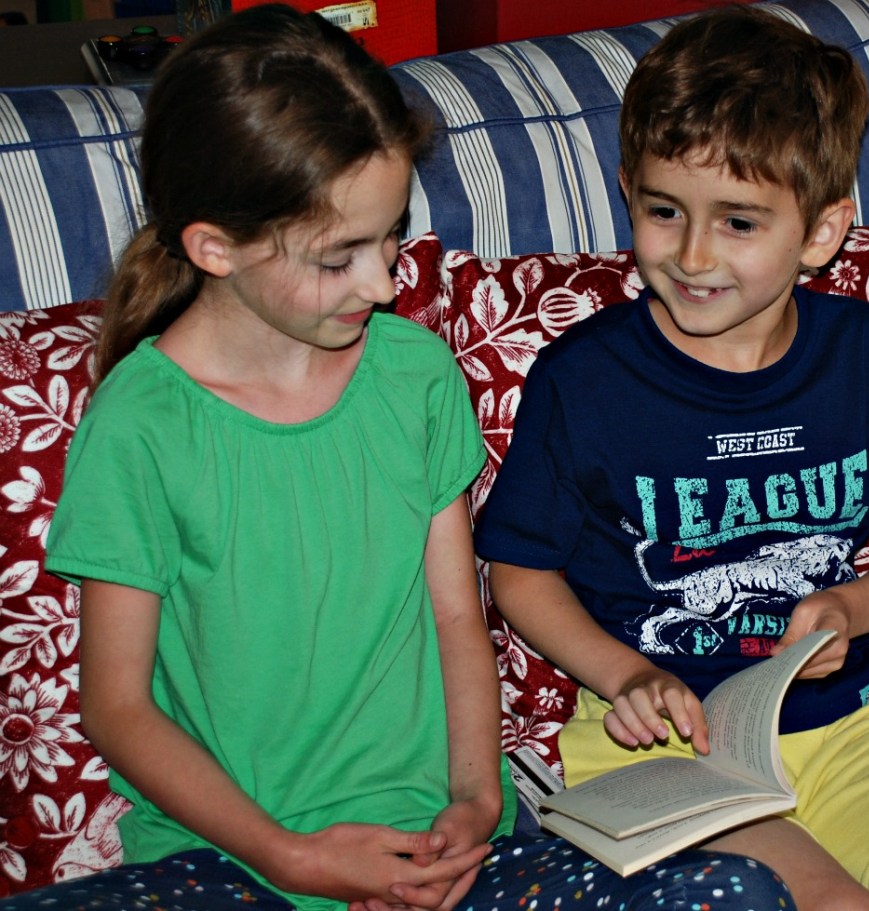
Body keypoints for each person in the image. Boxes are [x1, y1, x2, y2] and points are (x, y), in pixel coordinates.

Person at [1, 7, 793, 911]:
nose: (383, 283)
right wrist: (292, 857)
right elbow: (118, 707)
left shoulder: (412, 373)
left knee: (733, 891)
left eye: (388, 239)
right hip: (234, 864)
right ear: (214, 247)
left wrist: (476, 800)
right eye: (340, 258)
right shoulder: (140, 426)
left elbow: (460, 616)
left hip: (446, 849)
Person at [474, 7, 869, 911]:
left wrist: (849, 606)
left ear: (819, 232)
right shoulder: (585, 377)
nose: (692, 255)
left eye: (738, 221)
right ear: (629, 193)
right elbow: (519, 571)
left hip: (844, 728)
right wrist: (624, 675)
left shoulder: (860, 350)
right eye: (663, 211)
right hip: (658, 746)